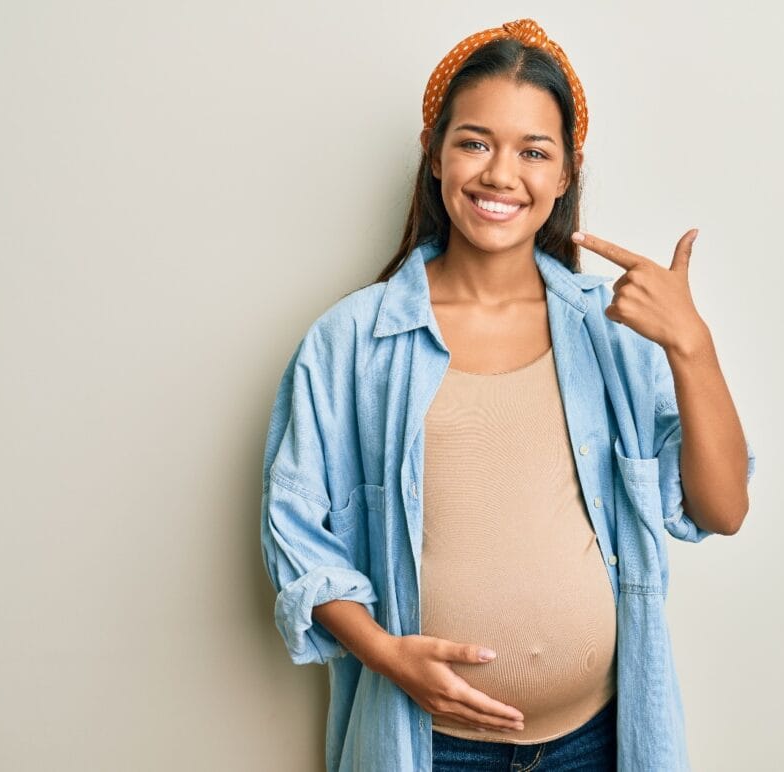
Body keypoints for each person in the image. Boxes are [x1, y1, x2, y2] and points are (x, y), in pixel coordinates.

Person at [260, 18, 756, 772]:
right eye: (474, 142)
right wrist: (387, 655)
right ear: (435, 155)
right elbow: (295, 532)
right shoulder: (352, 340)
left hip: (597, 743)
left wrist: (693, 345)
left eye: (533, 151)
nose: (500, 174)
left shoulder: (613, 331)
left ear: (565, 175)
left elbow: (722, 510)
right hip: (431, 746)